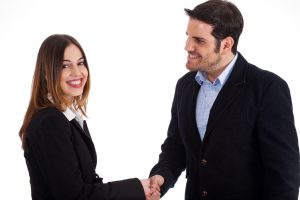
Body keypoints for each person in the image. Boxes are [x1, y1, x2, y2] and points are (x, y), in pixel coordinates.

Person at [148, 0, 300, 199]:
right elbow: (176, 145)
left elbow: (284, 173)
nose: (187, 47)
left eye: (199, 40)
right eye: (188, 37)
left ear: (226, 44)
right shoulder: (185, 85)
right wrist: (162, 175)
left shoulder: (267, 87)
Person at [19, 34, 160, 200]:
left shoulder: (67, 118)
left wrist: (139, 191)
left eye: (80, 63)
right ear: (46, 73)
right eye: (65, 66)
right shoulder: (50, 122)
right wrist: (136, 188)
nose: (77, 72)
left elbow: (85, 185)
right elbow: (74, 196)